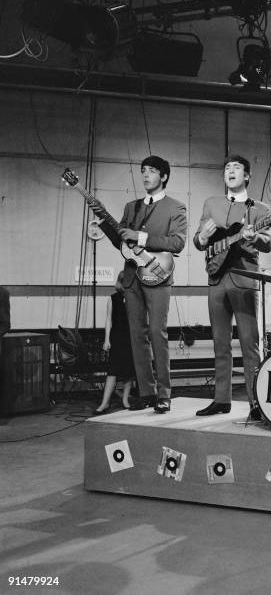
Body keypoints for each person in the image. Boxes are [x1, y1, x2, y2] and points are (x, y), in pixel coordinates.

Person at [100, 155, 187, 413]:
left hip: (158, 275)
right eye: (143, 171)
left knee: (156, 333)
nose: (146, 175)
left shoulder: (176, 207)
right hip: (131, 277)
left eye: (151, 171)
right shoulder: (131, 207)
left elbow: (177, 243)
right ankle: (147, 393)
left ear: (164, 176)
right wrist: (105, 225)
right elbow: (122, 243)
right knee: (137, 335)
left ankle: (164, 394)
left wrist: (141, 236)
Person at [193, 155, 271, 419]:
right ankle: (221, 399)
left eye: (236, 168)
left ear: (247, 176)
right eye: (226, 167)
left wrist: (256, 236)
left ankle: (256, 403)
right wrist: (201, 237)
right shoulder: (211, 204)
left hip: (244, 277)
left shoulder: (260, 208)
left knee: (250, 343)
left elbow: (269, 243)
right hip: (216, 277)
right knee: (220, 343)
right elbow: (198, 241)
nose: (230, 171)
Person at [94, 272, 136, 414]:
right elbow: (108, 320)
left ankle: (125, 399)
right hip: (117, 337)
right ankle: (104, 403)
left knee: (129, 371)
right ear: (120, 282)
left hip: (131, 337)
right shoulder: (112, 299)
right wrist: (107, 340)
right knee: (112, 372)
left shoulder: (135, 299)